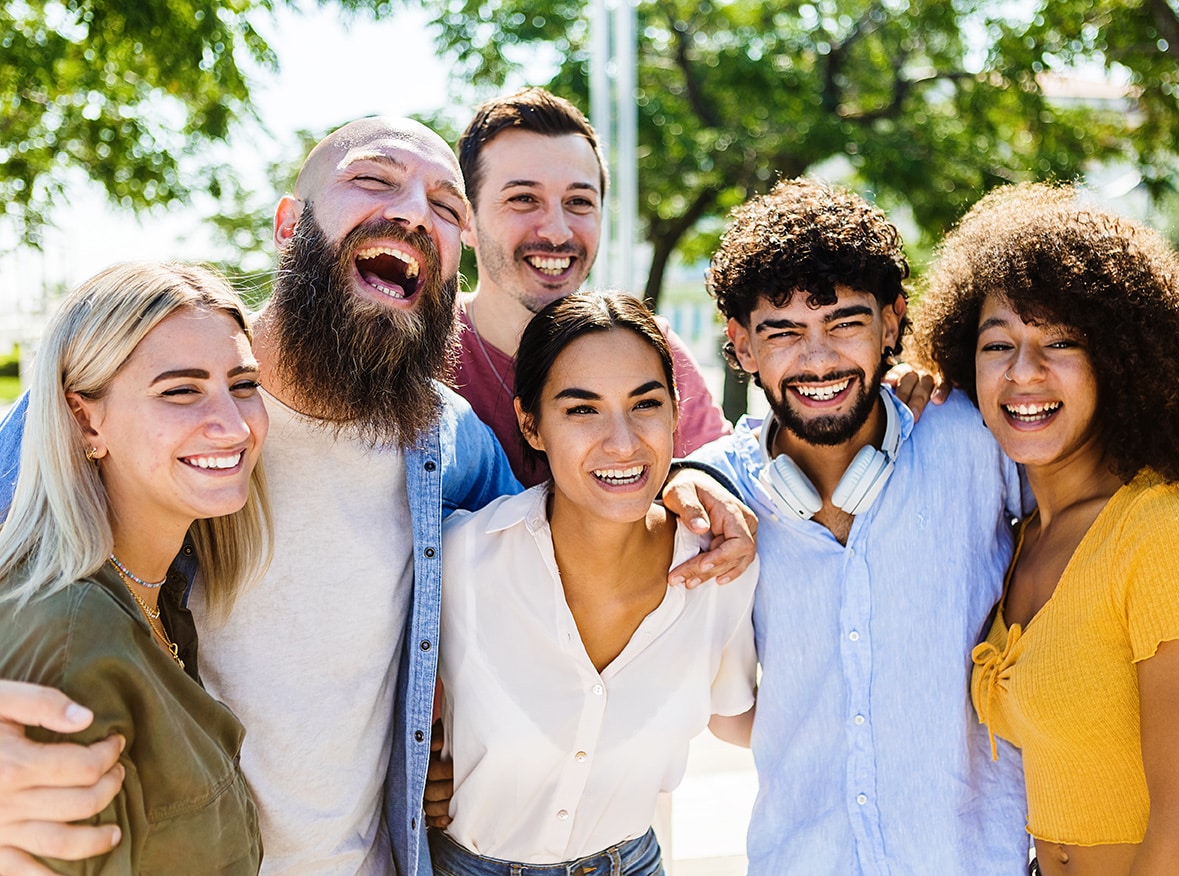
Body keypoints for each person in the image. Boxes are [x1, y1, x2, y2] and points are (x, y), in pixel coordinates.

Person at [0, 117, 754, 876]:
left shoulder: (451, 444)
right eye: (373, 179)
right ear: (290, 225)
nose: (416, 212)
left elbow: (572, 544)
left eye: (446, 205)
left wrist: (697, 478)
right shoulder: (123, 406)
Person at [916, 183, 1179, 875]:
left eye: (1060, 342)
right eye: (997, 344)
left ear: (1122, 363)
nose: (1023, 373)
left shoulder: (1172, 524)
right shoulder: (1020, 534)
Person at [688, 177, 1031, 874]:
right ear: (741, 345)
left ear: (891, 321)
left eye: (844, 322)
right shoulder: (711, 493)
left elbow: (1111, 541)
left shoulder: (977, 440)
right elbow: (718, 709)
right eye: (781, 332)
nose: (816, 360)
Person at [431, 292, 756, 875]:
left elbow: (737, 717)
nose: (624, 442)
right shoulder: (460, 561)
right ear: (531, 425)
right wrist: (412, 770)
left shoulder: (722, 571)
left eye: (645, 404)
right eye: (582, 410)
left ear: (676, 412)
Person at [0, 262, 271, 874]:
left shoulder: (166, 593)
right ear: (85, 419)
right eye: (181, 390)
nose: (232, 425)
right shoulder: (67, 635)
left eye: (244, 383)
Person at [451, 87, 731, 483]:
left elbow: (722, 473)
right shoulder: (417, 348)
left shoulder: (649, 346)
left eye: (579, 202)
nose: (556, 231)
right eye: (524, 199)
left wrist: (689, 480)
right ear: (466, 219)